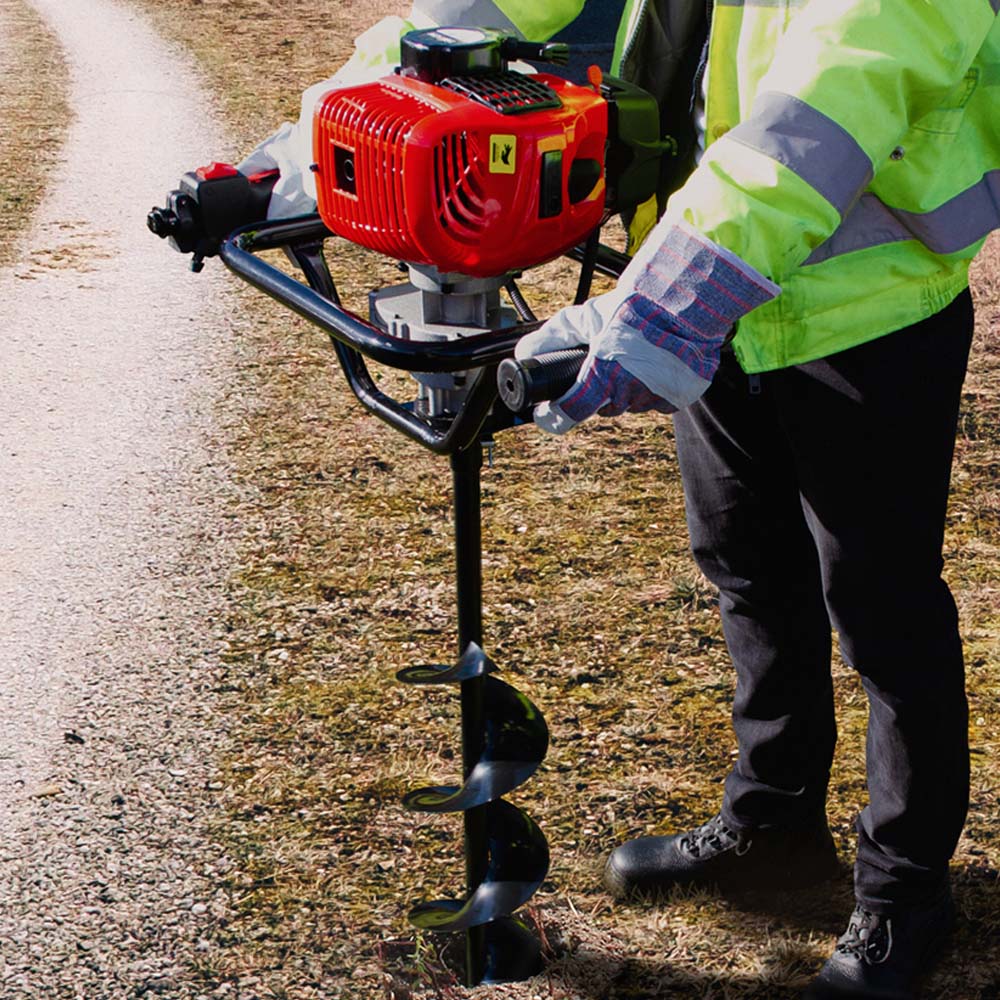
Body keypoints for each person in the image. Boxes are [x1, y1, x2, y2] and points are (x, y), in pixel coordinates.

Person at [239, 2, 1000, 996]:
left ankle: (905, 892)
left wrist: (671, 300)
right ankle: (772, 824)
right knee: (746, 568)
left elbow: (823, 112)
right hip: (720, 302)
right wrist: (292, 159)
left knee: (882, 613)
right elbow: (479, 12)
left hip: (863, 311)